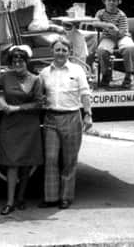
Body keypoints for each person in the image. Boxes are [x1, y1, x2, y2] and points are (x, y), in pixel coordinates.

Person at [0, 45, 44, 215]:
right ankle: (9, 202)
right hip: (10, 126)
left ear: (26, 62)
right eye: (14, 61)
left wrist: (18, 108)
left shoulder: (36, 79)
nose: (17, 63)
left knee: (26, 164)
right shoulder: (6, 77)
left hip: (28, 125)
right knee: (11, 164)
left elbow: (39, 104)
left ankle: (21, 198)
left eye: (21, 60)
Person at [38, 36, 92, 209]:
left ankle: (66, 197)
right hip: (51, 118)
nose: (60, 53)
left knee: (69, 160)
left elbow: (85, 94)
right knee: (51, 158)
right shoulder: (44, 72)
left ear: (69, 52)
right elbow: (39, 94)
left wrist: (88, 114)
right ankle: (50, 197)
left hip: (72, 117)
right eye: (57, 49)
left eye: (64, 50)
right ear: (52, 51)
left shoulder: (77, 70)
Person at [92, 0, 134, 88]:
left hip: (122, 37)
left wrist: (115, 31)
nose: (111, 3)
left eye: (114, 0)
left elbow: (122, 32)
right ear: (104, 1)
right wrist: (108, 25)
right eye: (109, 0)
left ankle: (128, 75)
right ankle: (106, 74)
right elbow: (94, 23)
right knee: (101, 50)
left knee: (129, 47)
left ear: (118, 2)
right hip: (108, 38)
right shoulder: (100, 13)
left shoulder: (121, 15)